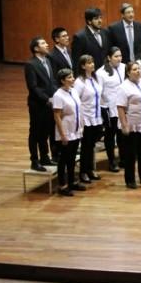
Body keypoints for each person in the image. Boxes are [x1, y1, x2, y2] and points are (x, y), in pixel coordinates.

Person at [25, 36, 58, 171]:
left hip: (50, 103)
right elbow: (33, 87)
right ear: (36, 48)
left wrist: (56, 95)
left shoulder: (48, 61)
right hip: (38, 104)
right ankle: (35, 160)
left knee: (47, 131)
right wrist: (46, 99)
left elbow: (52, 82)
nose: (47, 45)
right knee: (36, 132)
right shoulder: (31, 64)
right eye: (43, 43)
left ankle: (45, 157)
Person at [52, 68, 85, 197]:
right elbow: (57, 116)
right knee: (64, 160)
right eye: (69, 77)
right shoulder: (58, 95)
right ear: (62, 80)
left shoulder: (74, 91)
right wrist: (63, 134)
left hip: (75, 130)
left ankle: (72, 182)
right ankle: (62, 185)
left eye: (72, 76)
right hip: (65, 132)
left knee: (72, 159)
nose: (73, 79)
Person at [74, 54, 103, 184]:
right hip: (86, 118)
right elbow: (77, 101)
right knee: (86, 146)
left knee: (92, 145)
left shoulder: (95, 78)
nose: (92, 64)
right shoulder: (79, 82)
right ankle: (83, 172)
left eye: (92, 62)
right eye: (88, 63)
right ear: (82, 66)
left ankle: (90, 169)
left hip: (96, 117)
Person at [96, 47, 125, 172]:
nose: (119, 58)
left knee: (122, 135)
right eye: (116, 56)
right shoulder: (101, 73)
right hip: (109, 109)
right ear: (109, 58)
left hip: (123, 107)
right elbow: (99, 92)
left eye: (120, 56)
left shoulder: (124, 67)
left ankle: (123, 158)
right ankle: (112, 161)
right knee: (110, 135)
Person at [72, 7, 111, 71]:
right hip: (90, 73)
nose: (100, 21)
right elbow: (77, 61)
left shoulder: (105, 32)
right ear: (89, 21)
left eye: (100, 18)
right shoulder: (80, 37)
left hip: (105, 73)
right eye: (96, 19)